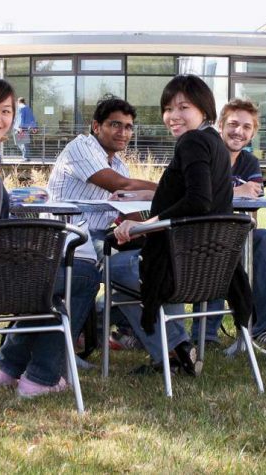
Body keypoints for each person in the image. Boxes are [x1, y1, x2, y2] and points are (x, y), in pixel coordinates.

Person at [112, 74, 252, 375]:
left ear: (204, 109)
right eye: (167, 108)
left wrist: (144, 225)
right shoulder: (214, 143)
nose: (172, 116)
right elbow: (202, 198)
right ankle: (177, 353)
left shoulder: (192, 141)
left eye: (183, 107)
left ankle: (176, 350)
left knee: (111, 269)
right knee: (125, 288)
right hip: (213, 266)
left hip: (182, 264)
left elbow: (198, 200)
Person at [39, 94, 158, 354]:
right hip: (66, 236)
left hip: (97, 236)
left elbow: (130, 213)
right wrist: (172, 188)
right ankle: (64, 350)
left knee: (153, 258)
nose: (123, 132)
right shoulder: (81, 147)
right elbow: (120, 186)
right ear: (96, 127)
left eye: (128, 127)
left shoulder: (118, 164)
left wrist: (153, 230)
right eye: (115, 124)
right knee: (130, 268)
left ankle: (123, 330)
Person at [189, 98, 266, 347]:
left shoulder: (249, 162)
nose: (239, 132)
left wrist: (230, 194)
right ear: (220, 125)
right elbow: (197, 196)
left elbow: (252, 208)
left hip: (236, 231)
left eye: (246, 127)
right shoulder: (205, 152)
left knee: (265, 238)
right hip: (199, 233)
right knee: (220, 246)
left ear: (253, 132)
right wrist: (236, 191)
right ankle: (206, 333)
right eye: (233, 124)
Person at [13, 96, 38, 161]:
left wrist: (18, 127)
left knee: (20, 143)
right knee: (24, 142)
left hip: (21, 128)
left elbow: (20, 118)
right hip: (26, 128)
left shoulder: (20, 108)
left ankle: (25, 157)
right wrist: (34, 127)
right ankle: (27, 156)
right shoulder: (28, 108)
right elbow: (32, 118)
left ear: (18, 102)